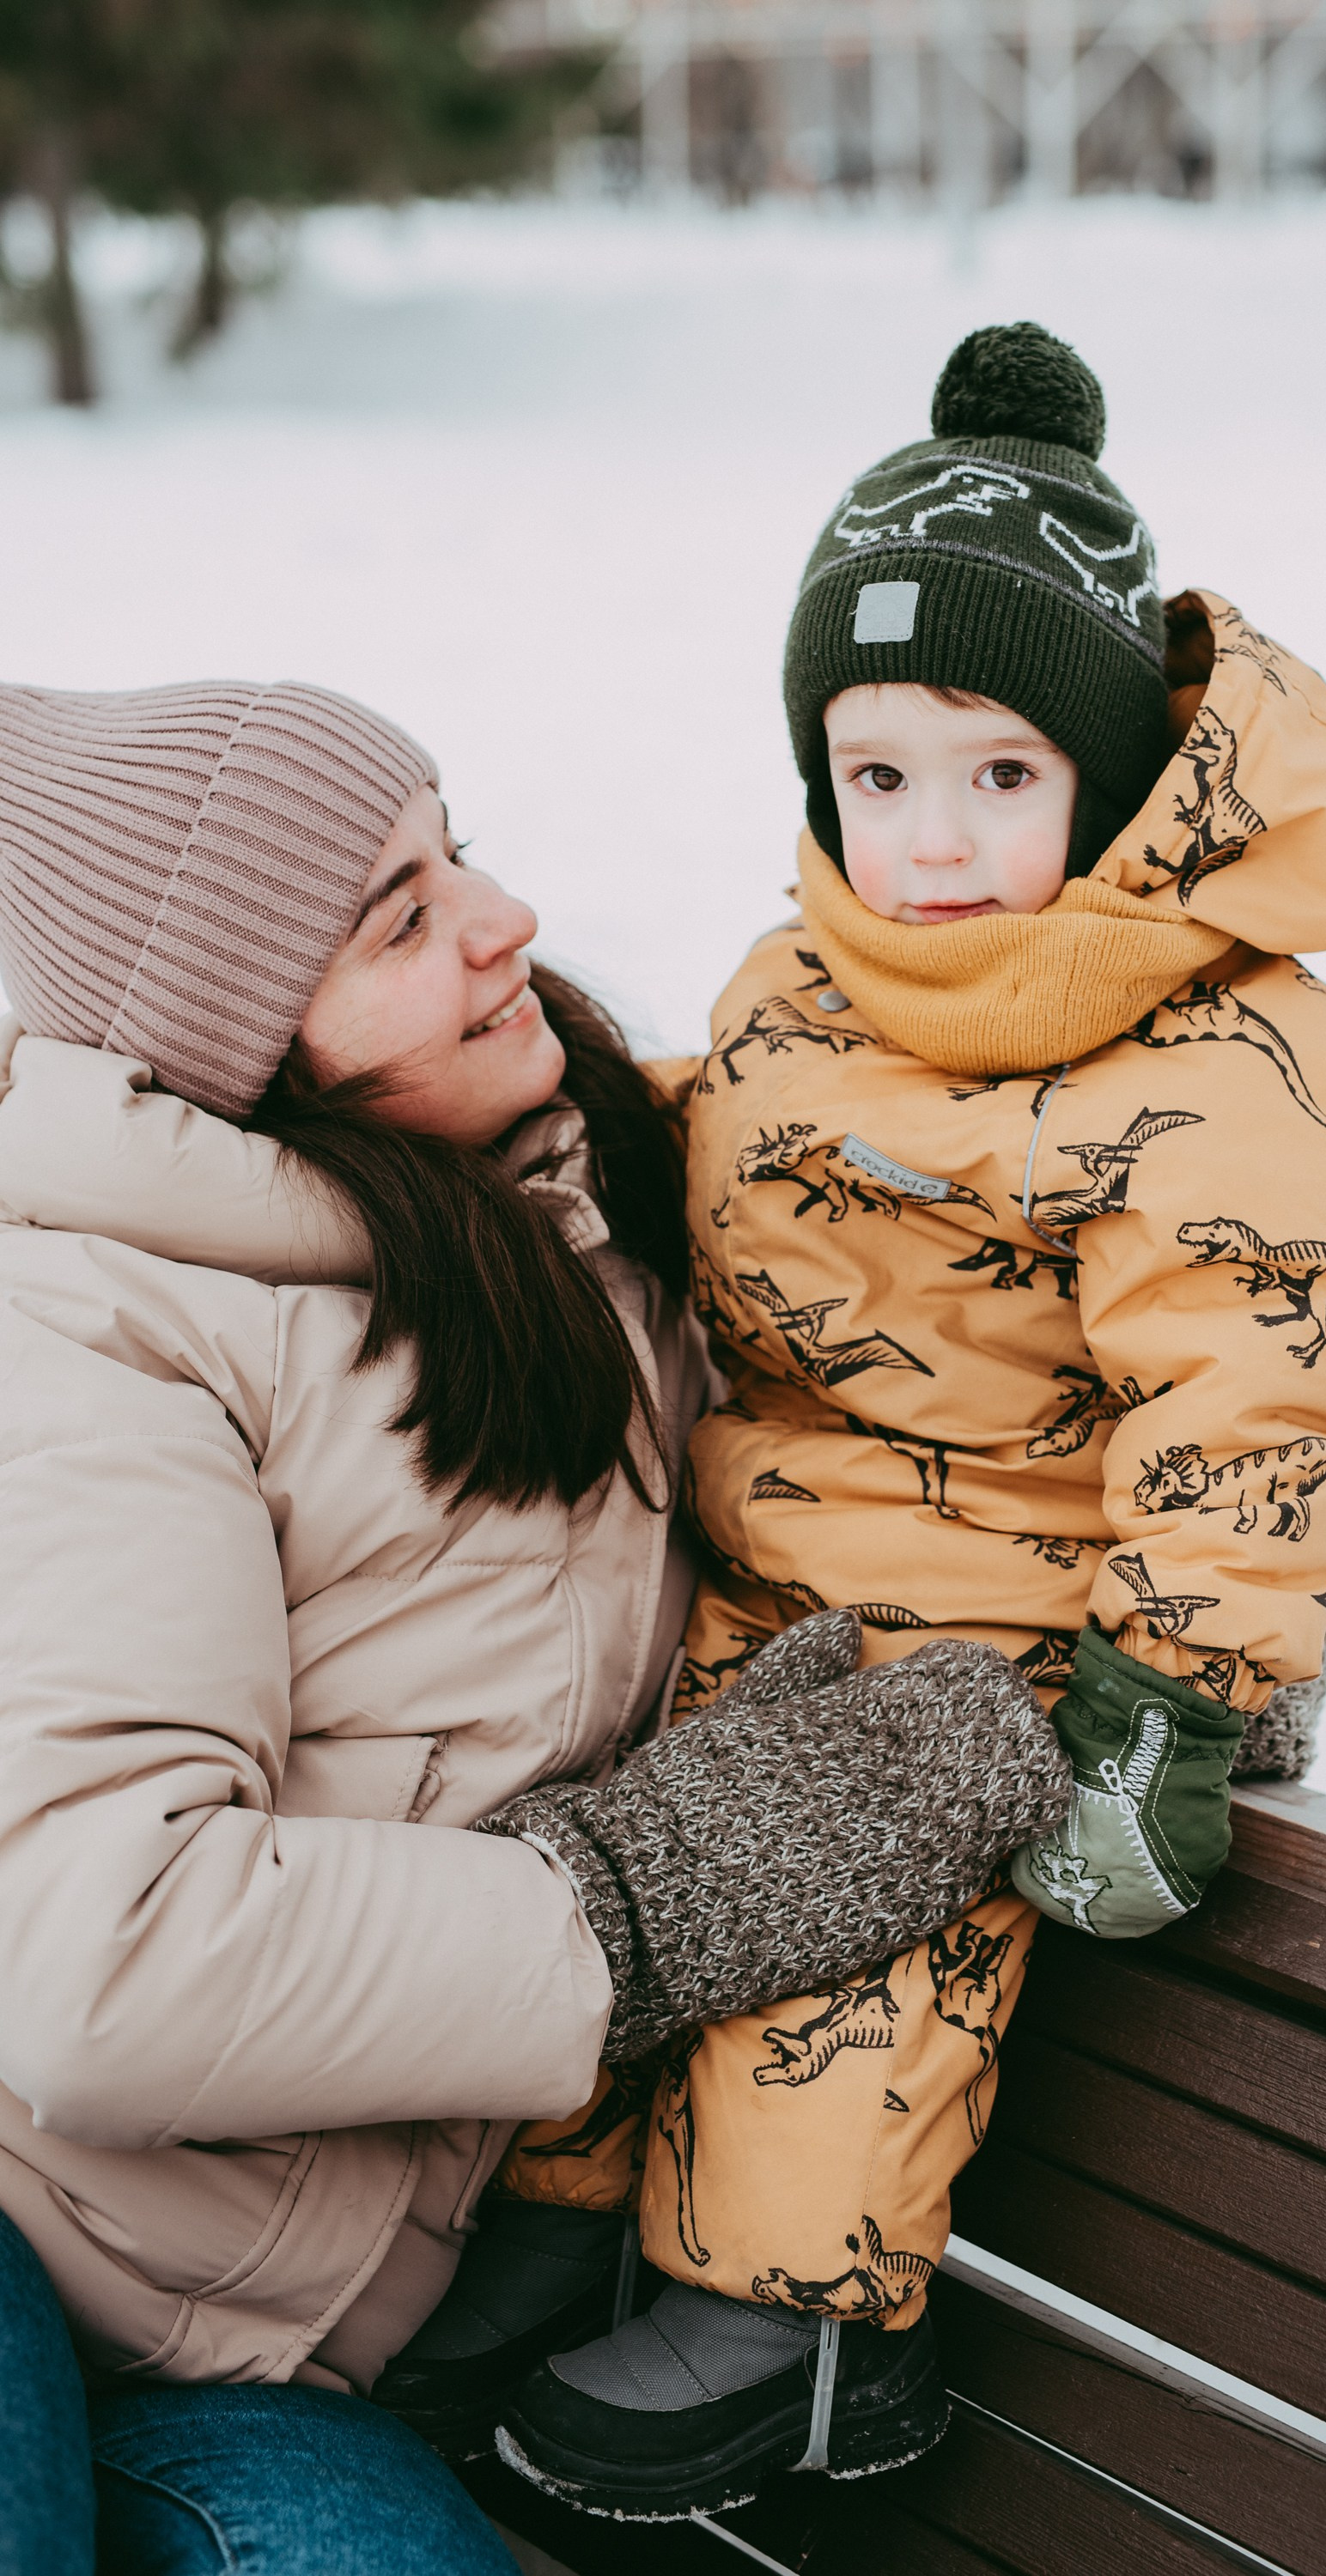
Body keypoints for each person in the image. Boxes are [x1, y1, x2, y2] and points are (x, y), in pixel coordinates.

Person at [401, 322, 1326, 2525]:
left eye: (1003, 776)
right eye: (878, 777)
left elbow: (1253, 1386)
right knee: (627, 1849)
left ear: (1113, 774)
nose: (930, 844)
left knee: (843, 1942)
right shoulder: (807, 979)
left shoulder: (1224, 1061)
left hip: (1021, 1635)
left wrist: (1174, 1706)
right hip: (773, 1572)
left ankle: (798, 2331)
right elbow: (726, 1165)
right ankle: (567, 2220)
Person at [0, 677, 1065, 2573]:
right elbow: (101, 1965)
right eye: (398, 921)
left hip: (257, 2360)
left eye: (456, 855)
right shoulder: (90, 1328)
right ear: (239, 1049)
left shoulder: (576, 1215)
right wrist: (634, 1903)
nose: (507, 924)